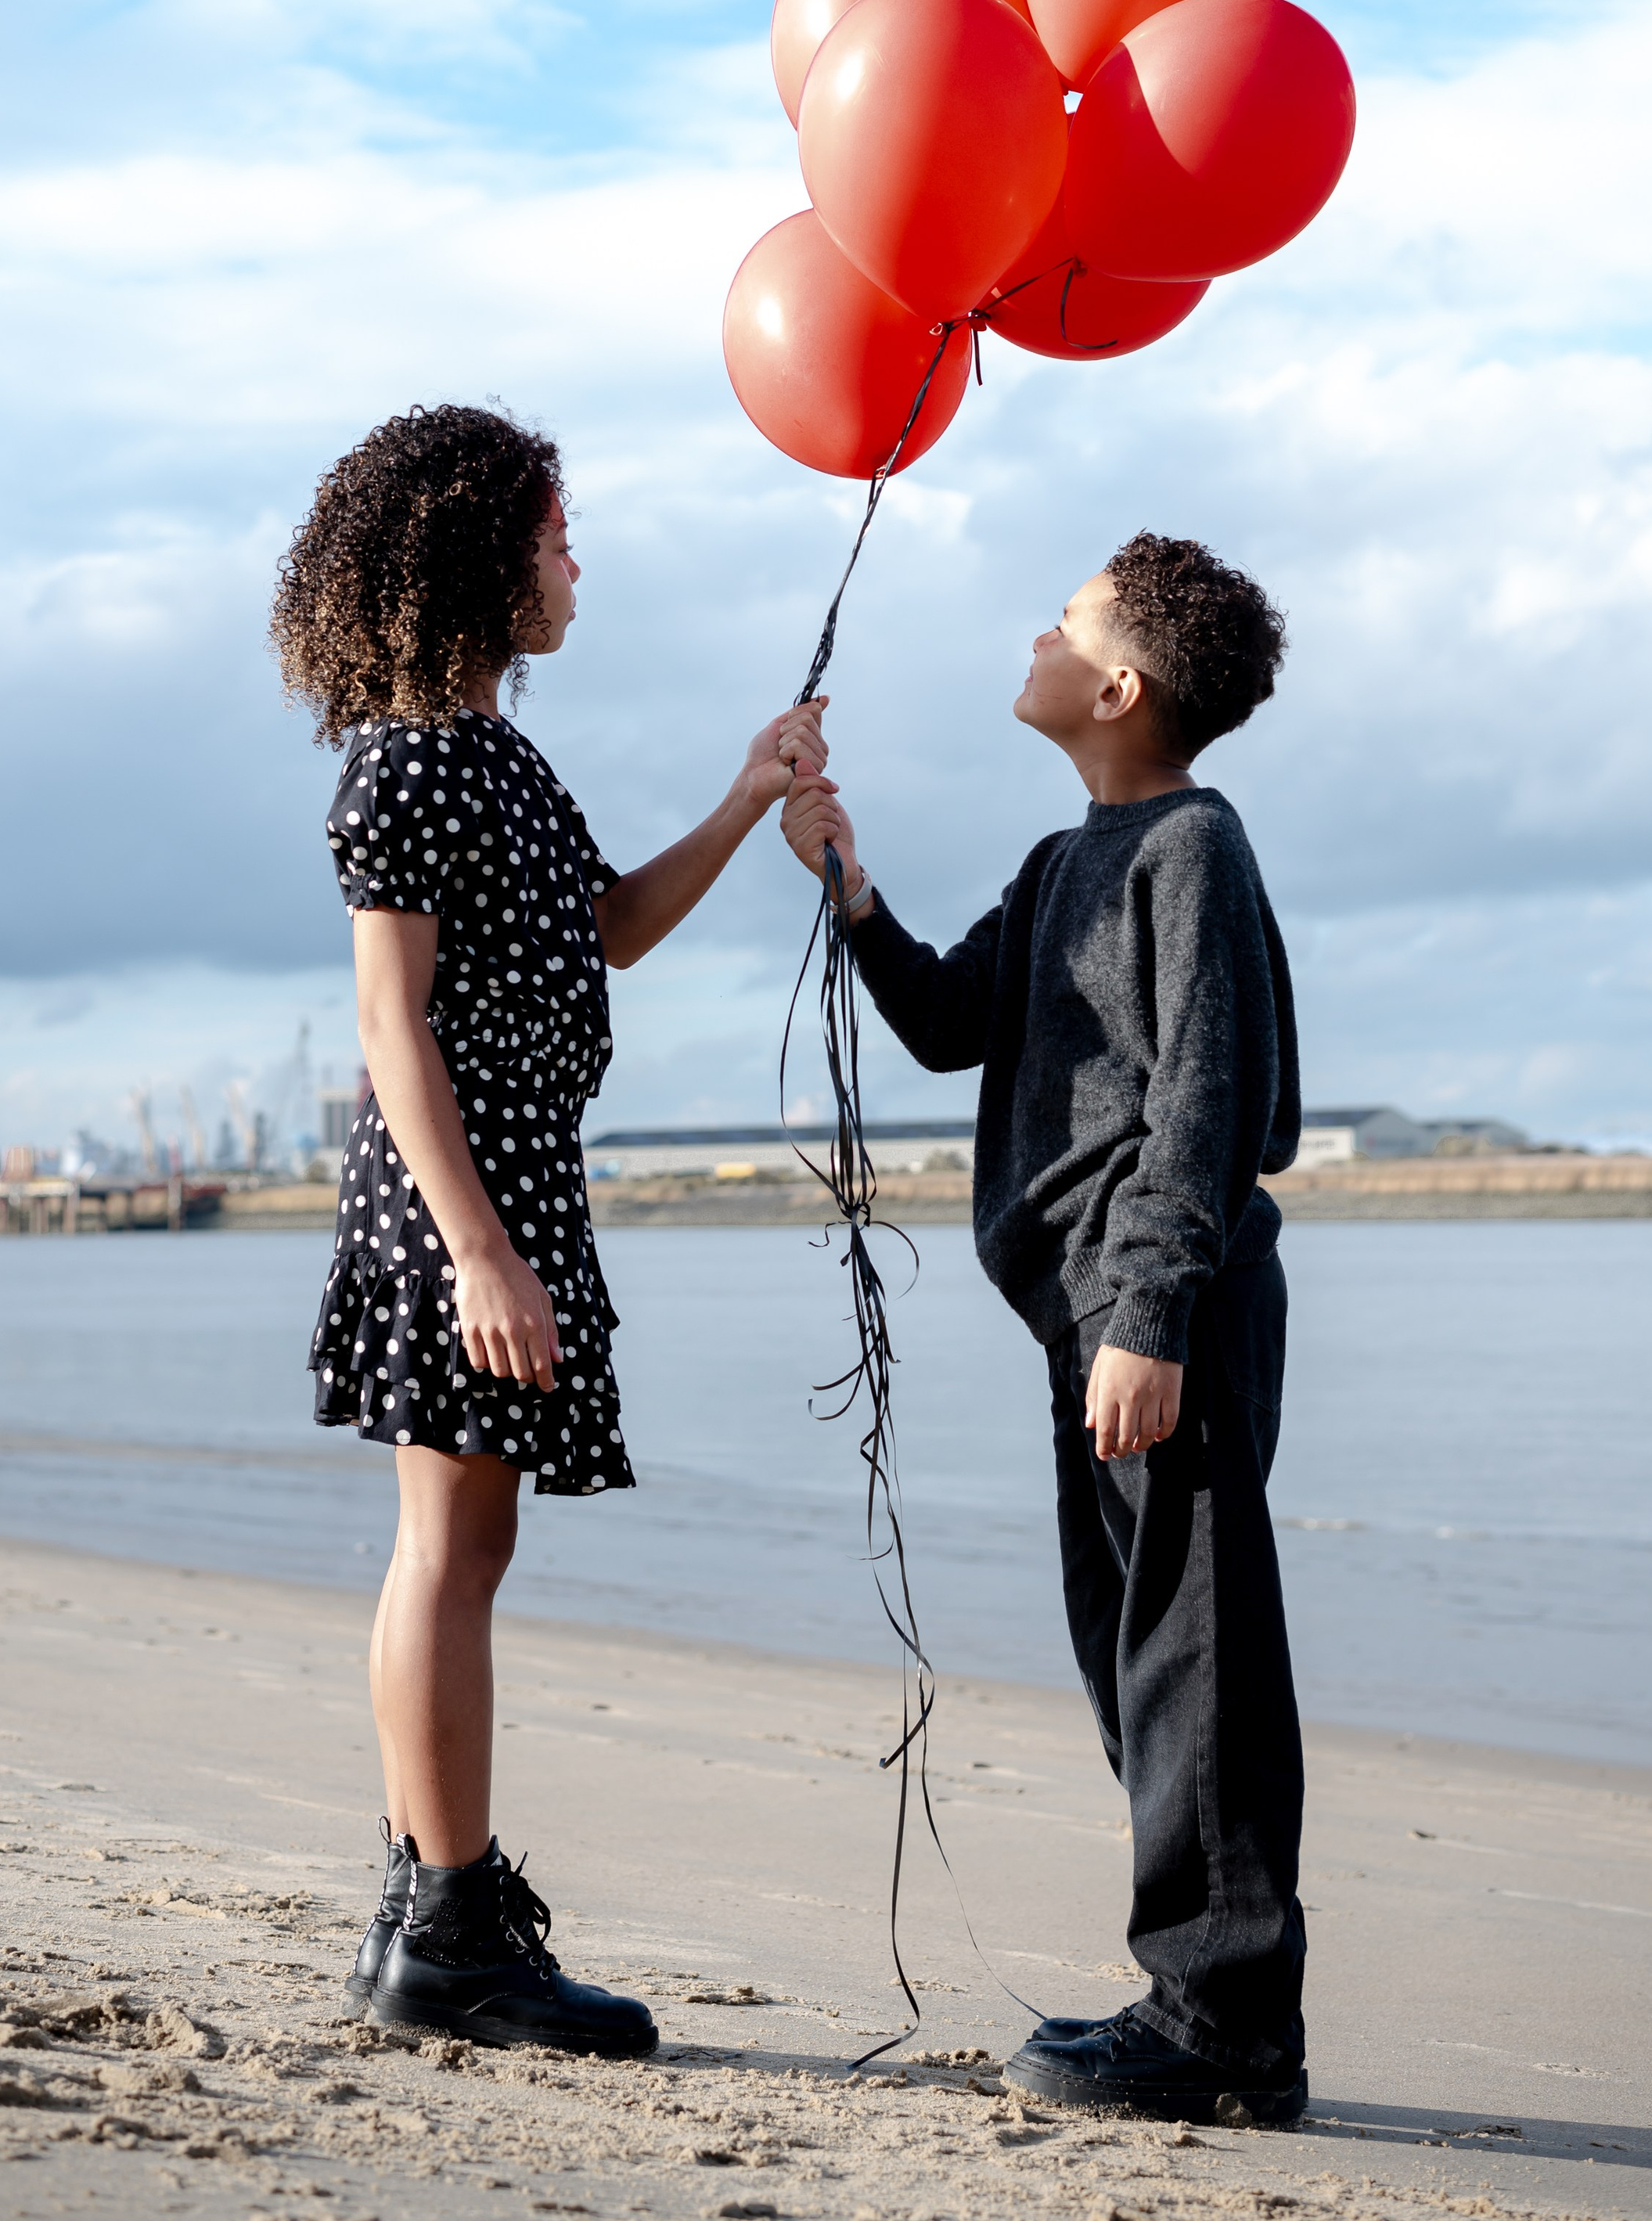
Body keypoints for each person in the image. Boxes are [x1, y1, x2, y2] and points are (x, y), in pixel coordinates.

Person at [270, 401, 826, 2056]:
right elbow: (393, 1026)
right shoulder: (409, 759)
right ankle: (446, 1922)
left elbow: (611, 929)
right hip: (462, 1200)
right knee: (448, 1548)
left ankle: (422, 1894)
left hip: (511, 1190)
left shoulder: (501, 755)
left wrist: (744, 794)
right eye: (553, 530)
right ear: (474, 552)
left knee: (468, 1544)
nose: (574, 558)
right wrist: (478, 1254)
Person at [781, 532, 1305, 2129]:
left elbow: (1204, 1104)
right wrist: (849, 888)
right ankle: (1194, 1989)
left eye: (1061, 620)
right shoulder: (1060, 857)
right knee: (1127, 1655)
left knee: (1193, 1659)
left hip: (1165, 1313)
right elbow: (950, 1019)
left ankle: (1225, 2024)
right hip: (1085, 1313)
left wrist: (1148, 1312)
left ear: (1118, 683)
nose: (1036, 630)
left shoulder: (1190, 852)